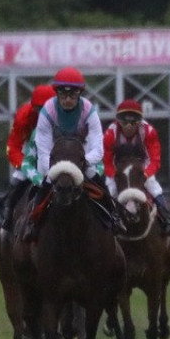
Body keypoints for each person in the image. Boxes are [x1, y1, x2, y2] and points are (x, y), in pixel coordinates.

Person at [29, 66, 122, 233]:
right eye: (63, 95)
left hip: (81, 159)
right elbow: (43, 150)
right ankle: (32, 224)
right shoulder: (47, 111)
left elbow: (98, 148)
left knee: (99, 183)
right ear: (57, 94)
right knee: (42, 189)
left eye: (72, 95)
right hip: (55, 160)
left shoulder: (88, 110)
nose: (67, 100)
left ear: (80, 94)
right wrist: (52, 170)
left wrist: (83, 164)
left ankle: (114, 217)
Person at [103, 99, 170, 234]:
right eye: (124, 122)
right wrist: (115, 175)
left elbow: (155, 159)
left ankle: (167, 221)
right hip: (118, 170)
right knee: (111, 191)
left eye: (134, 122)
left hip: (142, 168)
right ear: (118, 121)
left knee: (155, 189)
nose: (129, 126)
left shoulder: (148, 131)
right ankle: (108, 223)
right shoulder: (110, 133)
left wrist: (146, 174)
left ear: (140, 121)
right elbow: (107, 161)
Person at [0, 83, 54, 226]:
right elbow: (13, 146)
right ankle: (7, 214)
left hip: (54, 147)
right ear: (33, 106)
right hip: (31, 148)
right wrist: (24, 166)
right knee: (18, 179)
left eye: (46, 110)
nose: (42, 114)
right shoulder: (23, 116)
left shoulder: (62, 114)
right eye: (39, 109)